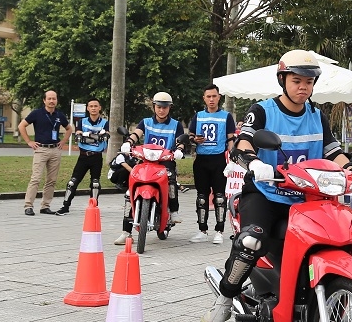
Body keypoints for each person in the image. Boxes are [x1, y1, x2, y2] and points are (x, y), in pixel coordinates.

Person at [201, 49, 352, 322]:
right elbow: (243, 142)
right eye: (297, 80)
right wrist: (254, 162)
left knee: (335, 237)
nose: (304, 87)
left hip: (307, 198)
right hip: (266, 194)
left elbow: (333, 151)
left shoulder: (317, 115)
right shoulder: (262, 111)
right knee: (251, 241)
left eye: (309, 81)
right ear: (283, 80)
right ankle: (225, 298)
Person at [114, 92, 187, 245]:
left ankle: (173, 210)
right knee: (130, 191)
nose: (162, 110)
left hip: (165, 161)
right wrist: (128, 142)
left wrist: (179, 149)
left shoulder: (176, 124)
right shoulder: (146, 122)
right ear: (154, 107)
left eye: (165, 107)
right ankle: (126, 232)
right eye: (159, 107)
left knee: (171, 180)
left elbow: (181, 140)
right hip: (145, 161)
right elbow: (136, 134)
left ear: (170, 108)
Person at [188, 84, 237, 244]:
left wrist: (232, 159)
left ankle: (219, 230)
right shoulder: (198, 116)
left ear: (219, 97)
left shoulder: (226, 116)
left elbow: (230, 139)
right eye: (208, 96)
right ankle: (202, 229)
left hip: (218, 160)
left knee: (220, 197)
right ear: (204, 98)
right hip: (201, 159)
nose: (211, 99)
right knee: (201, 197)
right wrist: (195, 139)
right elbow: (191, 136)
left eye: (214, 96)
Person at [18, 90, 74, 216]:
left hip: (55, 149)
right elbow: (21, 126)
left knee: (51, 180)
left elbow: (69, 128)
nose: (51, 101)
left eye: (54, 98)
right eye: (49, 98)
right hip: (41, 149)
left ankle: (45, 206)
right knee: (36, 178)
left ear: (56, 100)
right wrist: (29, 141)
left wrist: (64, 141)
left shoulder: (59, 115)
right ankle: (28, 205)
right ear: (44, 100)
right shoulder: (37, 113)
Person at [55, 98, 109, 215]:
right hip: (83, 156)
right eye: (91, 106)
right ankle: (65, 206)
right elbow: (78, 138)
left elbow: (104, 137)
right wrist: (95, 136)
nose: (93, 108)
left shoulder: (105, 122)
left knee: (95, 183)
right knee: (72, 182)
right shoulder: (82, 121)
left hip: (96, 157)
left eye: (96, 106)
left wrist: (87, 135)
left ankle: (93, 207)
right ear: (88, 108)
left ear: (99, 108)